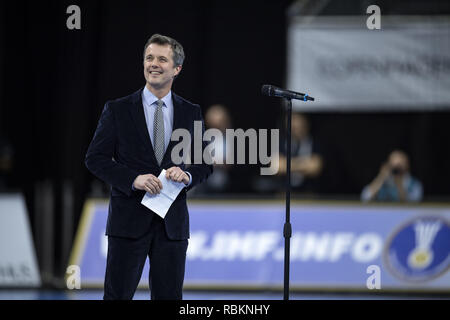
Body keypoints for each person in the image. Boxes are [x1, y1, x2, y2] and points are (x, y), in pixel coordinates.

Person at [85, 34, 213, 300]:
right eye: (149, 58)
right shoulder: (117, 109)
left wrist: (187, 175)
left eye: (162, 59)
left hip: (171, 226)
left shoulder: (191, 112)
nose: (154, 64)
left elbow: (204, 164)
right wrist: (133, 179)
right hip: (127, 221)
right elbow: (95, 158)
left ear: (176, 69)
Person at [276, 113, 323, 193]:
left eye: (298, 119)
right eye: (292, 119)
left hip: (309, 193)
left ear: (306, 122)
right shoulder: (280, 142)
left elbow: (315, 168)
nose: (295, 125)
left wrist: (287, 164)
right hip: (284, 192)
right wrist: (305, 164)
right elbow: (277, 167)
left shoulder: (316, 143)